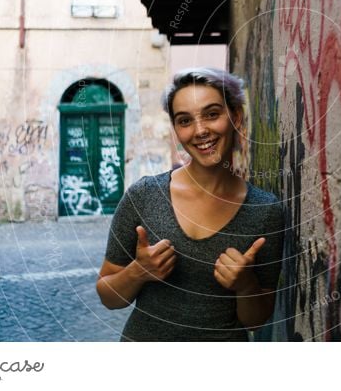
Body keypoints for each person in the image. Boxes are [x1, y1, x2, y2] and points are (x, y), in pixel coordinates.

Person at [96, 67, 284, 341]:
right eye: (185, 121)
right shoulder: (144, 196)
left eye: (212, 114)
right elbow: (109, 298)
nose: (200, 131)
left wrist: (245, 286)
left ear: (236, 117)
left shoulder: (266, 211)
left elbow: (256, 319)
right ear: (176, 130)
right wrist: (138, 272)